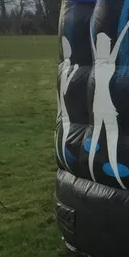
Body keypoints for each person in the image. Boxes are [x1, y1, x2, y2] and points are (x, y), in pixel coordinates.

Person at [88, 9, 129, 188]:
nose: (110, 44)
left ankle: (91, 168)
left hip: (99, 103)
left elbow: (112, 37)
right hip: (107, 104)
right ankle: (115, 173)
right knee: (111, 137)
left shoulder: (99, 58)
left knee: (97, 135)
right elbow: (120, 38)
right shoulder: (108, 59)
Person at [56, 36, 78, 168]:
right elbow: (65, 88)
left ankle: (67, 153)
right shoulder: (66, 70)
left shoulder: (65, 68)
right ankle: (67, 153)